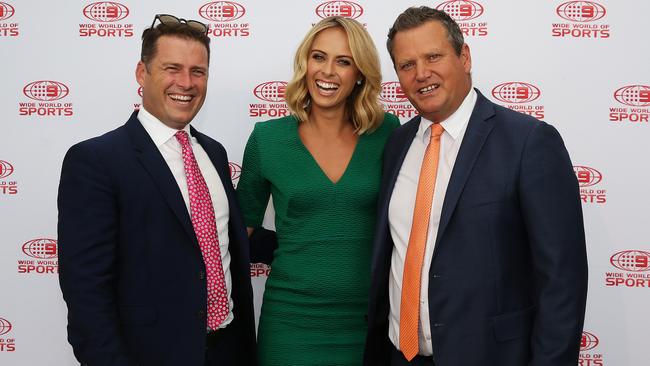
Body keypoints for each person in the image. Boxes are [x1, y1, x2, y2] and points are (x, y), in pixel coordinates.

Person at [364, 6, 588, 366]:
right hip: (399, 355)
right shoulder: (397, 143)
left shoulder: (529, 143)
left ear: (464, 56)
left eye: (433, 56)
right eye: (407, 65)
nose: (422, 74)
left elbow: (562, 281)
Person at [57, 14, 256, 366]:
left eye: (198, 71)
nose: (186, 82)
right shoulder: (96, 160)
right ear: (141, 73)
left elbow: (223, 239)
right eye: (172, 68)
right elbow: (86, 291)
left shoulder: (214, 152)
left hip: (228, 350)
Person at [236, 16, 400, 365]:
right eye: (318, 57)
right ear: (304, 63)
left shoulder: (387, 132)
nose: (327, 71)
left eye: (343, 61)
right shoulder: (267, 139)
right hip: (289, 324)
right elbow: (240, 233)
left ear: (360, 73)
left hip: (367, 323)